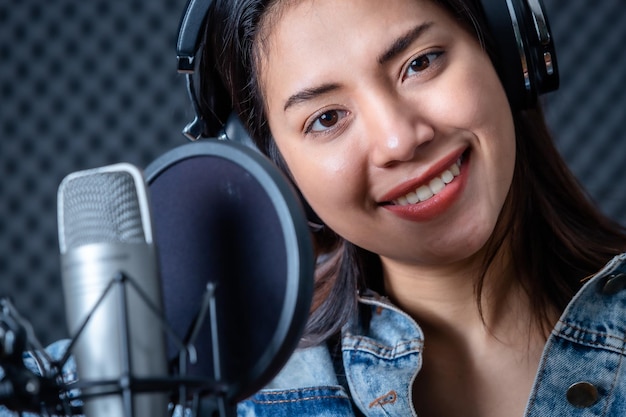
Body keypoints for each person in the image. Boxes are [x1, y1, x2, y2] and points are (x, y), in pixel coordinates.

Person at [196, 0, 626, 416]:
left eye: (420, 63)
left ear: (504, 52)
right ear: (275, 169)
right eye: (327, 118)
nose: (399, 140)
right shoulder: (240, 399)